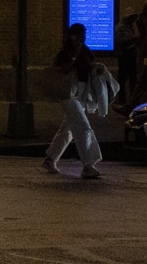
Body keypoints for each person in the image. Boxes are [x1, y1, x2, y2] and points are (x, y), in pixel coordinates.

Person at [43, 23, 106, 179]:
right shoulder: (65, 53)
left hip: (82, 93)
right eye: (80, 35)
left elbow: (90, 65)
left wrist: (96, 68)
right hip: (68, 94)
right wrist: (74, 54)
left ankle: (50, 158)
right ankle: (88, 164)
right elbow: (63, 69)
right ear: (73, 36)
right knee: (83, 127)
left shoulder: (85, 51)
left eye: (84, 35)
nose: (83, 38)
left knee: (69, 129)